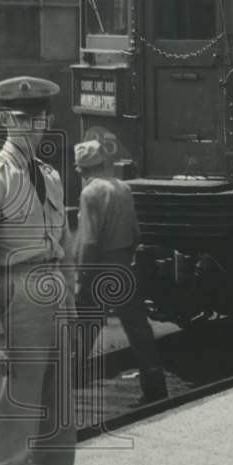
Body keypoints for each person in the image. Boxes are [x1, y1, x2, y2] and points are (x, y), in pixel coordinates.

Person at [0, 76, 95, 465]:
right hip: (15, 298)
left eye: (42, 117)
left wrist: (70, 301)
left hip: (53, 299)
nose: (35, 125)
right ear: (6, 119)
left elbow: (65, 243)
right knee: (11, 432)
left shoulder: (50, 176)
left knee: (58, 426)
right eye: (24, 117)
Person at [74, 138, 168, 405]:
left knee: (86, 325)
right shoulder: (123, 188)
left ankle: (67, 382)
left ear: (81, 169)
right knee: (138, 327)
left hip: (99, 266)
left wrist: (82, 277)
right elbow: (136, 231)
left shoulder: (90, 193)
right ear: (103, 163)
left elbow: (89, 240)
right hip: (123, 264)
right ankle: (155, 386)